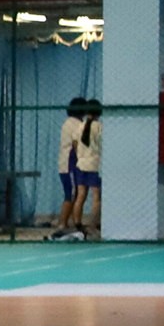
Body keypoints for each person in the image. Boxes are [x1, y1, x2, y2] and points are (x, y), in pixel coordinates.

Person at [52, 95, 101, 241]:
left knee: (78, 194)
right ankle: (63, 223)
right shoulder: (77, 124)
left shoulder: (74, 124)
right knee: (74, 194)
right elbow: (78, 143)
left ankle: (74, 223)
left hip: (76, 164)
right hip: (73, 164)